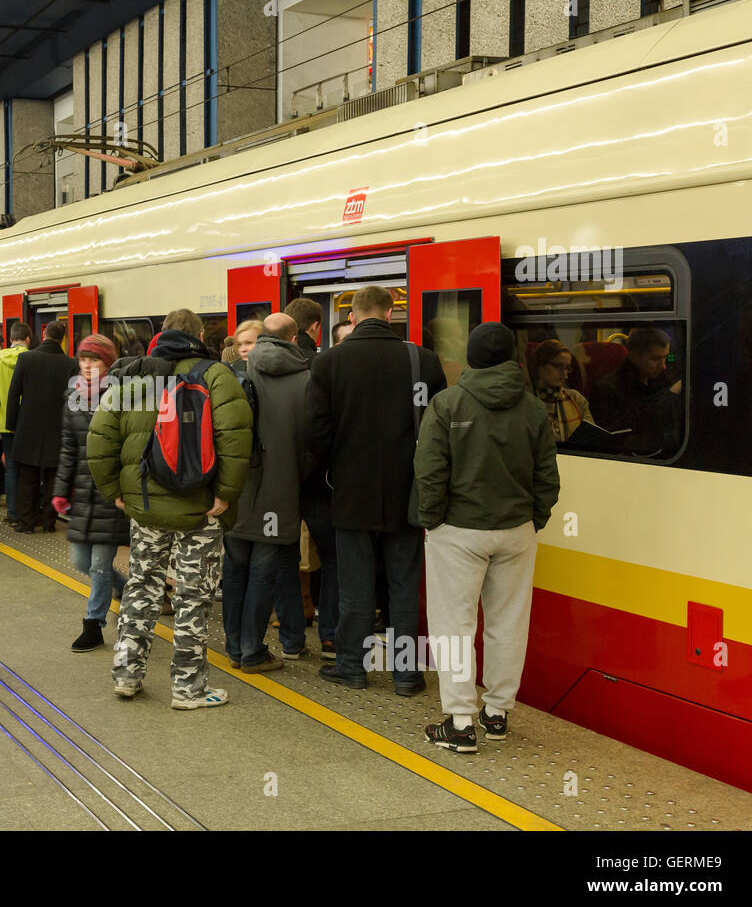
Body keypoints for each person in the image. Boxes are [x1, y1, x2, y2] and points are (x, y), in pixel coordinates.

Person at [88, 308, 253, 708]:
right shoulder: (216, 376)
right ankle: (188, 689)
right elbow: (236, 439)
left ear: (160, 334)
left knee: (141, 589)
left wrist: (115, 492)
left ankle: (127, 675)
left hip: (144, 509)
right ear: (199, 334)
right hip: (201, 510)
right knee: (193, 598)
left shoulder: (130, 378)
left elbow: (98, 443)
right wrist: (226, 494)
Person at [415, 322, 561, 752]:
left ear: (473, 357)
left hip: (458, 531)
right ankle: (496, 713)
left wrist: (433, 520)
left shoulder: (447, 403)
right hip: (515, 532)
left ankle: (460, 723)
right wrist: (534, 518)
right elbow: (547, 477)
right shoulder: (533, 409)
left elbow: (429, 472)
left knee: (454, 626)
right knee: (508, 622)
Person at [307, 285, 447, 695]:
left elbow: (315, 434)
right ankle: (406, 674)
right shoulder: (422, 360)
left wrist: (334, 465)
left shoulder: (330, 361)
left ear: (352, 317)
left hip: (351, 491)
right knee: (404, 583)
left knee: (356, 583)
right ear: (391, 315)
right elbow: (439, 431)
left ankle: (352, 665)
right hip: (408, 491)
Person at [222, 313, 311, 672]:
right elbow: (313, 443)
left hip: (240, 489)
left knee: (235, 569)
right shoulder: (307, 379)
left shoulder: (233, 376)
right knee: (264, 572)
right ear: (294, 339)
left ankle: (233, 647)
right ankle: (252, 650)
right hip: (282, 491)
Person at [52, 335, 129, 652]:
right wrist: (60, 489)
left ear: (107, 364)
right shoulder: (72, 396)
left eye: (94, 360)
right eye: (83, 359)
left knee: (98, 565)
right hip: (83, 491)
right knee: (81, 560)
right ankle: (126, 588)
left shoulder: (121, 397)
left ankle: (93, 624)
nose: (86, 365)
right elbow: (68, 447)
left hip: (111, 492)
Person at [6, 320, 79, 533]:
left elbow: (14, 394)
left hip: (27, 427)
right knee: (52, 479)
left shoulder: (26, 358)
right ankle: (49, 522)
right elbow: (73, 400)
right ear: (63, 338)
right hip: (57, 428)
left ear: (44, 333)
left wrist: (12, 425)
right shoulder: (70, 364)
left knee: (27, 478)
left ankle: (27, 523)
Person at [589, 327, 682, 456]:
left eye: (665, 358)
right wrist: (669, 396)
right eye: (655, 359)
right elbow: (619, 439)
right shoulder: (608, 389)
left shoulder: (661, 378)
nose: (663, 366)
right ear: (633, 356)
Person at [0, 322, 30, 517]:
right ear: (27, 339)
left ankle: (13, 511)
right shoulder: (31, 359)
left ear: (11, 339)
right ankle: (29, 510)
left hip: (5, 425)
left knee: (11, 468)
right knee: (29, 469)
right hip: (28, 425)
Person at [530, 339, 594, 442]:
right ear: (540, 365)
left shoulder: (576, 399)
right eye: (558, 366)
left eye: (567, 368)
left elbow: (592, 438)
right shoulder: (526, 401)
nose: (565, 374)